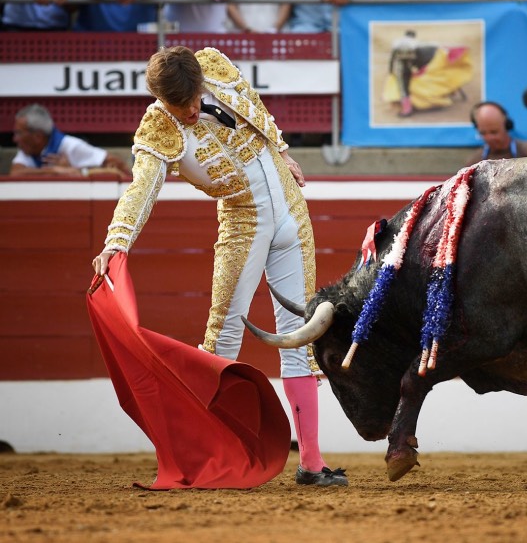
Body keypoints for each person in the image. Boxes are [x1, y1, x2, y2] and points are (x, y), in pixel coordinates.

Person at [90, 45, 348, 488]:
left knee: (299, 332)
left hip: (292, 210)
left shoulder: (213, 63)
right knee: (223, 335)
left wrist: (281, 150)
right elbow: (141, 189)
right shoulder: (157, 127)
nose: (190, 111)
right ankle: (211, 455)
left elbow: (254, 102)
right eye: (179, 106)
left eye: (193, 99)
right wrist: (117, 242)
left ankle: (311, 462)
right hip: (243, 222)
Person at [10, 103, 129, 176]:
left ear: (37, 137)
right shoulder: (27, 149)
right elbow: (15, 174)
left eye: (19, 133)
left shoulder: (71, 146)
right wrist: (57, 171)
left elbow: (118, 165)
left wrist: (81, 172)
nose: (15, 139)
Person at [465, 101, 527, 165]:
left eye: (494, 132)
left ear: (507, 126)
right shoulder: (475, 161)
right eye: (483, 133)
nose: (489, 138)